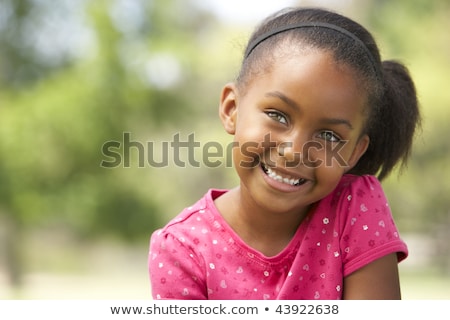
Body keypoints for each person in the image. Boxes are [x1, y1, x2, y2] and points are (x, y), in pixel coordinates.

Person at [148, 6, 420, 300]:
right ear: (232, 109)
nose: (294, 151)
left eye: (328, 135)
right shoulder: (181, 249)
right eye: (278, 115)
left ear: (354, 152)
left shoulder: (354, 205)